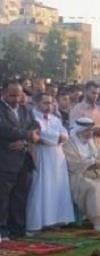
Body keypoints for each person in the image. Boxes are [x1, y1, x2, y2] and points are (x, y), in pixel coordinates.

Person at [26, 93, 75, 233]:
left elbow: (65, 134)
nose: (49, 106)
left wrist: (60, 137)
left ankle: (55, 219)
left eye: (51, 103)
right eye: (45, 103)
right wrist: (56, 137)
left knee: (57, 187)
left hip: (57, 156)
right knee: (41, 187)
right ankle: (37, 222)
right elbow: (40, 135)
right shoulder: (32, 117)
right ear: (37, 103)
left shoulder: (55, 118)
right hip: (41, 155)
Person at [0, 81, 41, 240]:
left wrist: (24, 142)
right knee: (3, 198)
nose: (16, 99)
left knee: (20, 196)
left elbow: (36, 127)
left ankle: (18, 229)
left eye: (19, 95)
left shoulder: (26, 109)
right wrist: (27, 135)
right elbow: (3, 129)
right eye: (12, 95)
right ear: (4, 93)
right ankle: (2, 230)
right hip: (5, 160)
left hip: (24, 159)